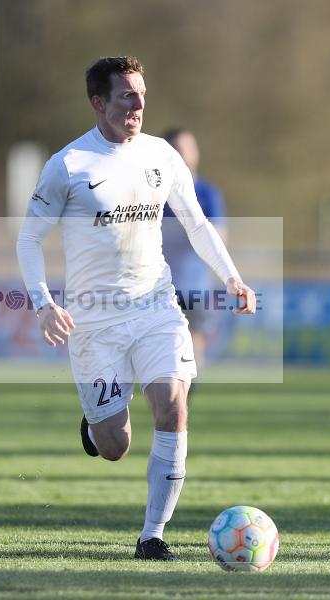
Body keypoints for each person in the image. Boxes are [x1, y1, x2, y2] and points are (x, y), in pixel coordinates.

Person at [15, 56, 255, 561]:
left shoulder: (162, 155)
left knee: (173, 405)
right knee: (115, 446)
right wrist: (43, 304)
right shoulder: (68, 166)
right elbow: (29, 239)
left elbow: (196, 223)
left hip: (156, 306)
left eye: (142, 94)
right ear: (98, 102)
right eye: (126, 95)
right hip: (94, 320)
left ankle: (153, 535)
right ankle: (96, 419)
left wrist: (230, 275)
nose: (138, 104)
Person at [160, 129, 227, 391]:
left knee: (193, 346)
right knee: (159, 350)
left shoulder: (207, 193)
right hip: (157, 284)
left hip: (194, 284)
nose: (184, 155)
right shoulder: (156, 192)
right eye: (177, 148)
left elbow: (218, 236)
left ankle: (182, 404)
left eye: (188, 148)